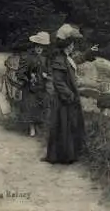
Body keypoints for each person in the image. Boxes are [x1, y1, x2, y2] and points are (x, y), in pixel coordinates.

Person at [42, 23, 99, 164]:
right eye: (72, 44)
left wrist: (88, 52)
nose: (73, 46)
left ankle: (68, 156)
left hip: (67, 99)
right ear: (67, 45)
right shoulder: (59, 58)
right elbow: (58, 82)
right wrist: (70, 96)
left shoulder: (66, 57)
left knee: (67, 126)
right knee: (63, 126)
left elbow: (76, 60)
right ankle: (61, 157)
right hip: (63, 100)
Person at [16, 31, 51, 137]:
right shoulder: (27, 58)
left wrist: (46, 76)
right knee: (30, 107)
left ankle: (38, 126)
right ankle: (31, 128)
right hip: (30, 87)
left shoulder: (45, 59)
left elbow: (49, 72)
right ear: (34, 46)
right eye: (37, 46)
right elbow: (20, 73)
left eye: (41, 47)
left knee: (41, 107)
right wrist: (28, 78)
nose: (39, 49)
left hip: (41, 87)